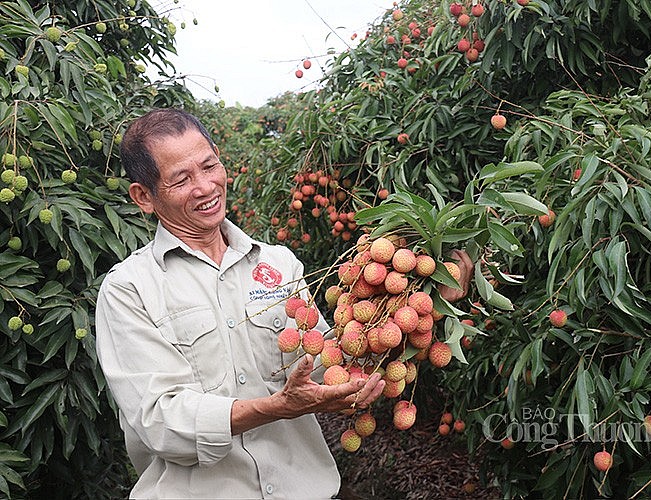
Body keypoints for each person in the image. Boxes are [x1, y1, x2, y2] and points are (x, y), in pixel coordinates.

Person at [95, 108, 472, 499]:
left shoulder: (278, 263)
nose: (206, 187)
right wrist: (276, 407)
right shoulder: (129, 290)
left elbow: (333, 362)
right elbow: (160, 421)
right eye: (181, 179)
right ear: (144, 196)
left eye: (210, 166)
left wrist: (424, 299)